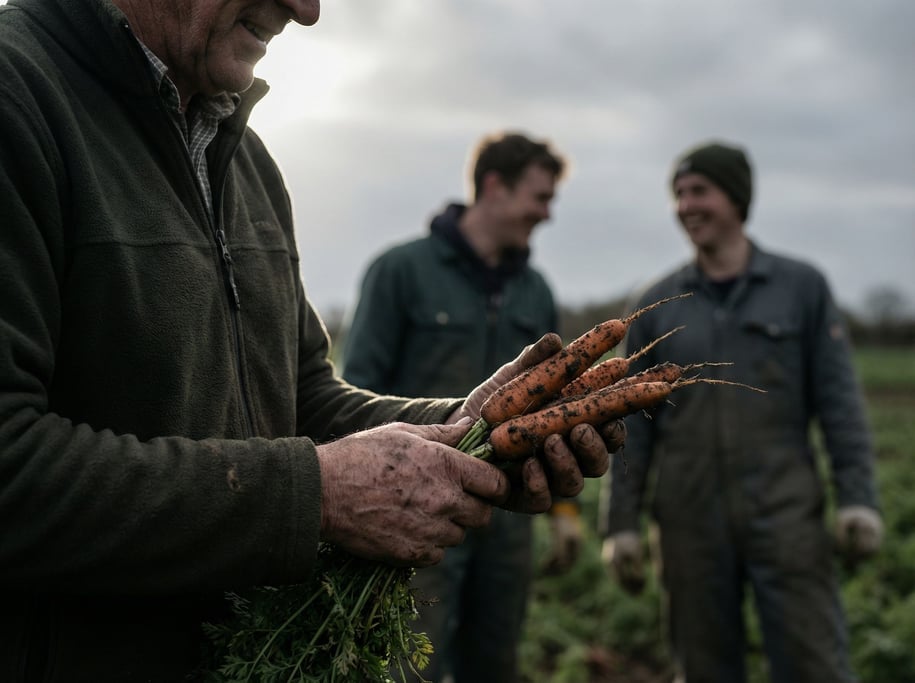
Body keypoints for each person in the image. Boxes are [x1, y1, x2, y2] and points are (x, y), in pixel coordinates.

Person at [0, 1, 625, 680]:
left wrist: (459, 426)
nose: (306, 10)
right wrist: (315, 495)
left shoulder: (246, 161)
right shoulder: (19, 96)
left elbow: (300, 396)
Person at [600, 140, 884, 682]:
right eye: (678, 194)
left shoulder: (801, 289)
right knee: (703, 668)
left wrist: (858, 500)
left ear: (736, 198)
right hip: (688, 525)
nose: (686, 205)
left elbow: (839, 402)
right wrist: (622, 526)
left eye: (699, 190)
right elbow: (629, 426)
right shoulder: (658, 304)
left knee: (813, 663)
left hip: (786, 515)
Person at [341, 131, 583, 683]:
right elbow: (354, 395)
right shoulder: (401, 271)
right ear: (494, 186)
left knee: (494, 661)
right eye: (540, 197)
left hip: (509, 516)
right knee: (407, 665)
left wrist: (566, 512)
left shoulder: (535, 291)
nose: (546, 215)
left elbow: (557, 408)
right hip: (420, 509)